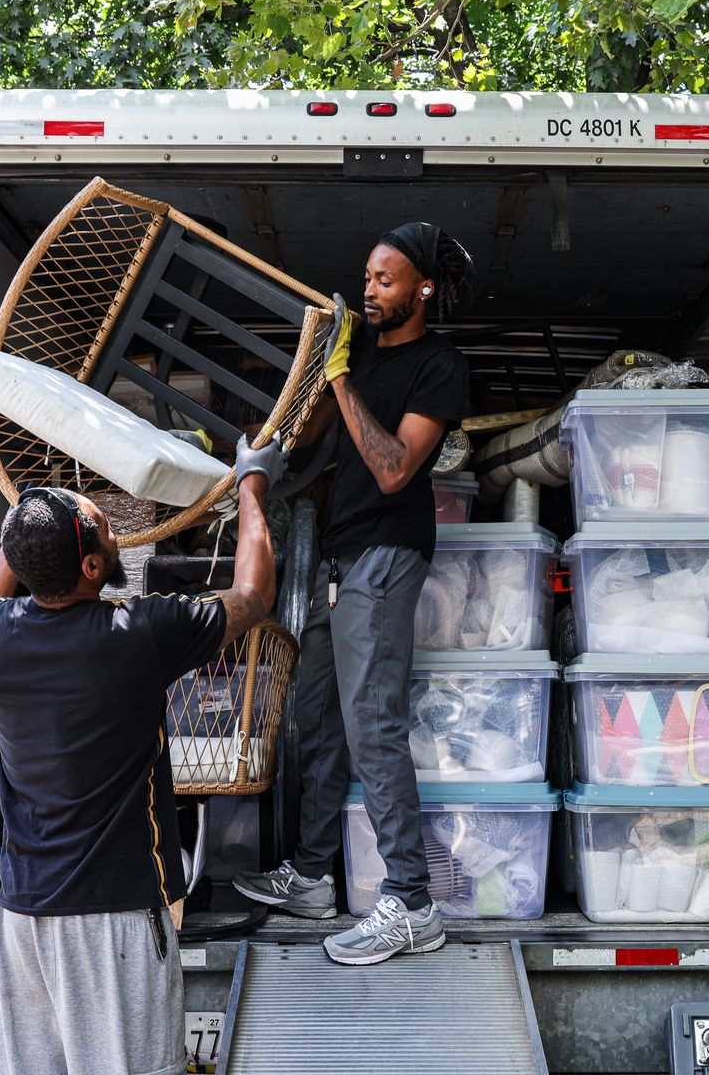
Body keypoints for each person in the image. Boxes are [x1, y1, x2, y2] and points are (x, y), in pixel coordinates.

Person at [0, 436, 285, 1075]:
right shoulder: (136, 634)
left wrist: (16, 545)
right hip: (117, 922)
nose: (112, 524)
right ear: (94, 567)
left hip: (24, 915)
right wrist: (251, 486)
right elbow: (253, 594)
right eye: (103, 525)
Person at [235, 221, 471, 966]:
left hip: (387, 555)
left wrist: (339, 380)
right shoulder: (359, 351)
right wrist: (266, 447)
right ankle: (310, 877)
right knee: (319, 719)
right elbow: (313, 444)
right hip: (340, 564)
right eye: (367, 276)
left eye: (386, 279)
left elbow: (396, 467)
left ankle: (411, 900)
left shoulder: (440, 366)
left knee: (374, 728)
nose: (370, 290)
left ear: (423, 289)